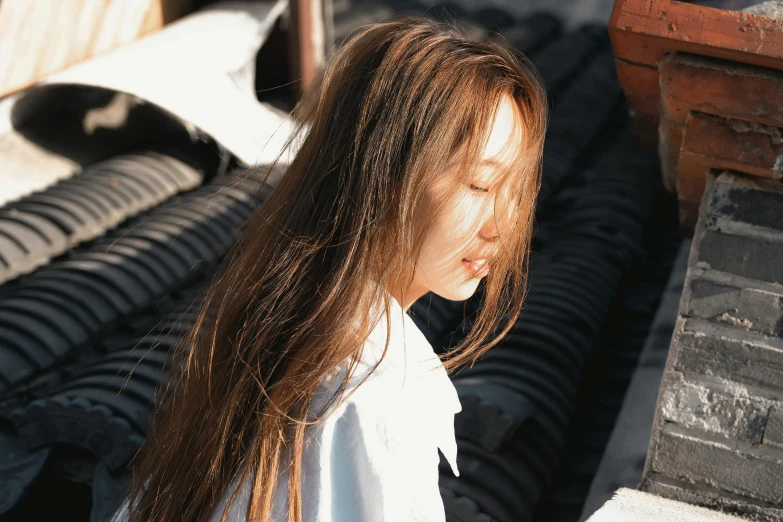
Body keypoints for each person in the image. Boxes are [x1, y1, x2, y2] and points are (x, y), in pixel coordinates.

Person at [110, 15, 547, 522]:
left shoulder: (277, 332)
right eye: (479, 185)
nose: (504, 225)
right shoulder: (369, 396)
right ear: (382, 173)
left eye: (514, 193)